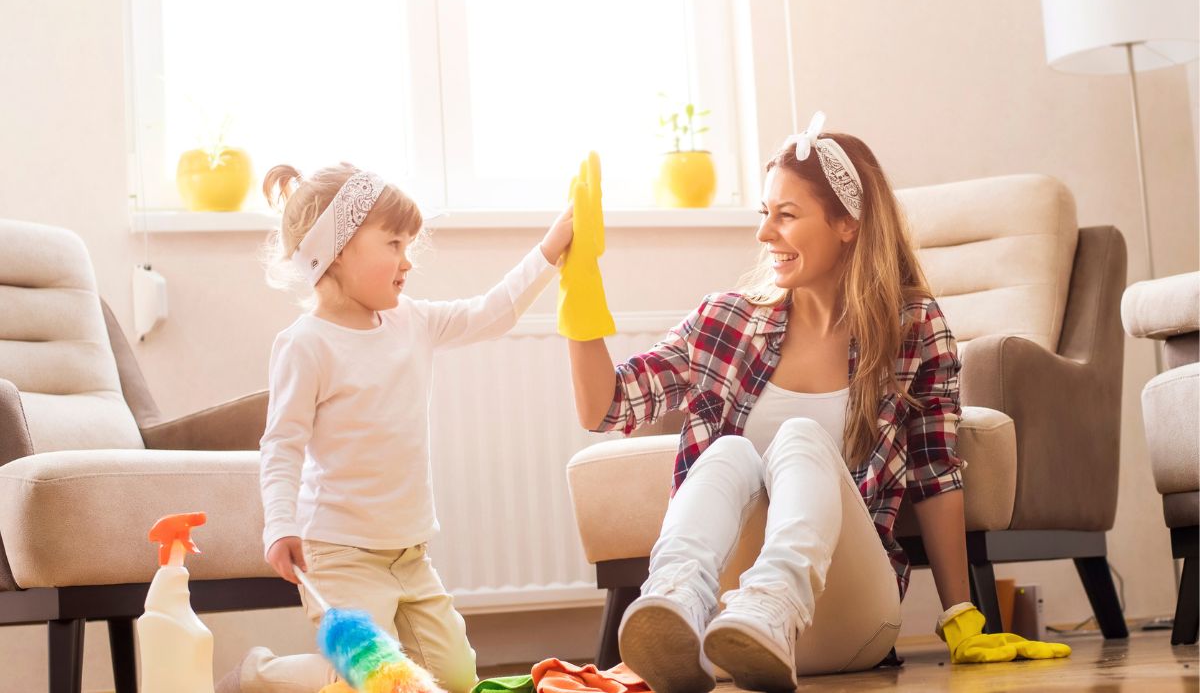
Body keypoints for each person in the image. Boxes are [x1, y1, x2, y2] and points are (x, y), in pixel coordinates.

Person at [562, 113, 1069, 693]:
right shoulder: (725, 321)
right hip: (723, 629)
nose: (764, 233)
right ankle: (674, 599)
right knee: (727, 453)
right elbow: (606, 408)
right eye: (763, 213)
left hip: (847, 615)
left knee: (800, 438)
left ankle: (774, 604)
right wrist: (581, 291)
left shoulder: (914, 327)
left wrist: (962, 617)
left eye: (786, 215)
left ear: (847, 224)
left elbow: (936, 475)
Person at [218, 162, 573, 693]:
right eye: (394, 244)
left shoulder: (414, 321)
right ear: (337, 250)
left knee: (457, 680)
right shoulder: (306, 343)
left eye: (409, 245)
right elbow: (282, 445)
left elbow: (492, 313)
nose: (407, 261)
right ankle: (259, 677)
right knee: (374, 682)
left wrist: (551, 249)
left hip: (410, 554)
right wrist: (280, 525)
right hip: (339, 553)